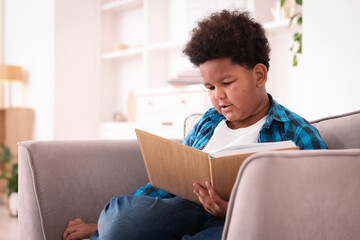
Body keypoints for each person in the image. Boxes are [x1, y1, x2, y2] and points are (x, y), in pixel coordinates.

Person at [63, 9, 327, 240]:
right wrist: (105, 223)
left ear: (259, 75)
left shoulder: (297, 133)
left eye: (227, 83)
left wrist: (234, 209)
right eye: (210, 87)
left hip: (237, 223)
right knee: (122, 216)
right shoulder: (208, 123)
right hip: (186, 210)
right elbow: (165, 186)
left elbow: (315, 204)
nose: (218, 96)